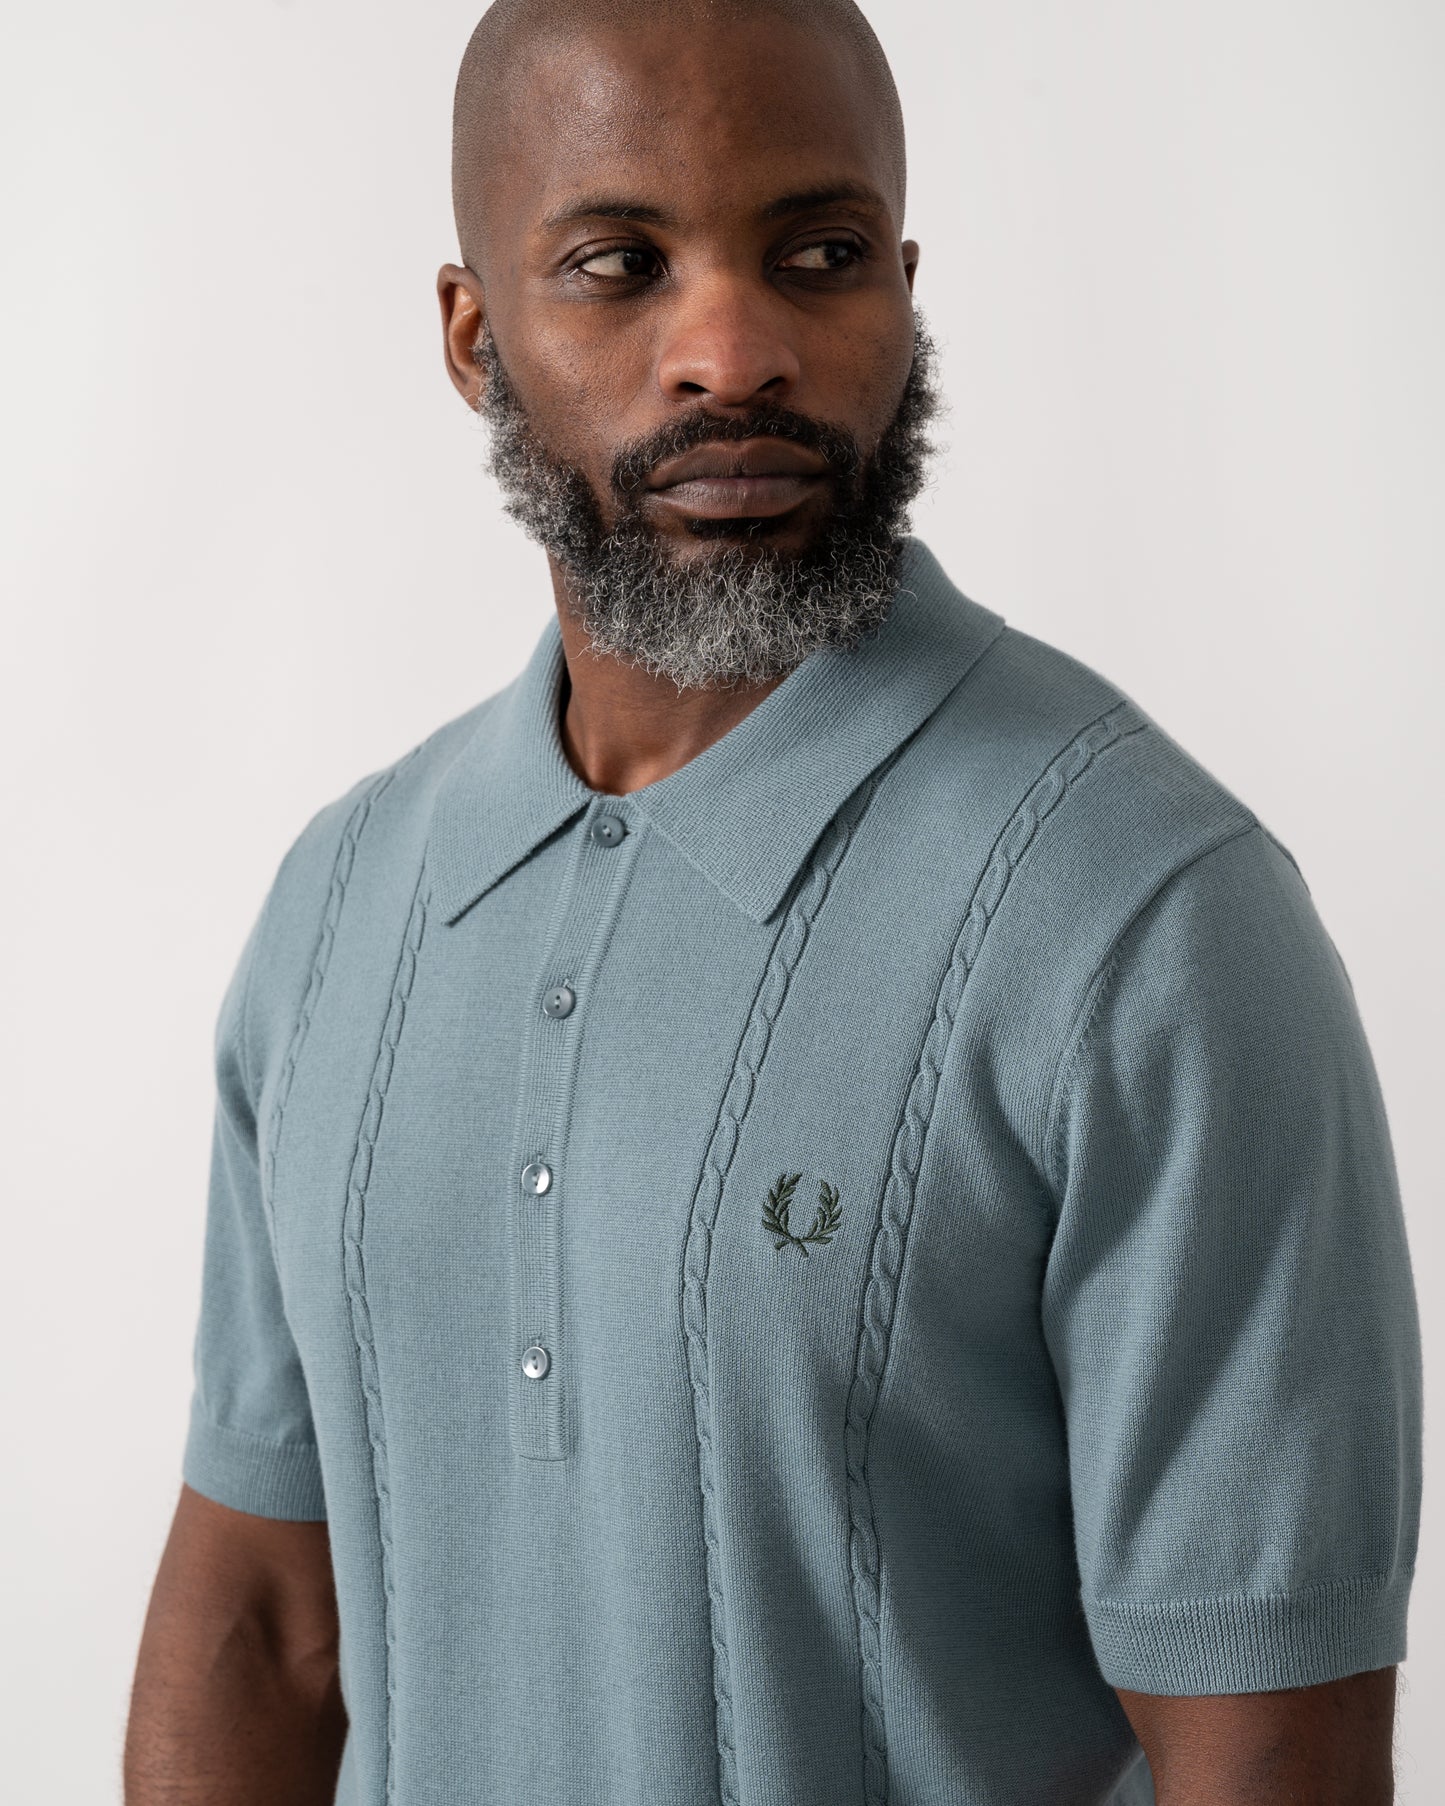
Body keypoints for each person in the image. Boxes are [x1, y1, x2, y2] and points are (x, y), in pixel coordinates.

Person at [124, 2, 1421, 1802]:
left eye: (816, 256)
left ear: (903, 285)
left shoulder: (1150, 922)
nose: (730, 349)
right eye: (617, 263)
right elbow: (266, 1611)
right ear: (473, 333)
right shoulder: (337, 906)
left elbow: (1267, 1750)